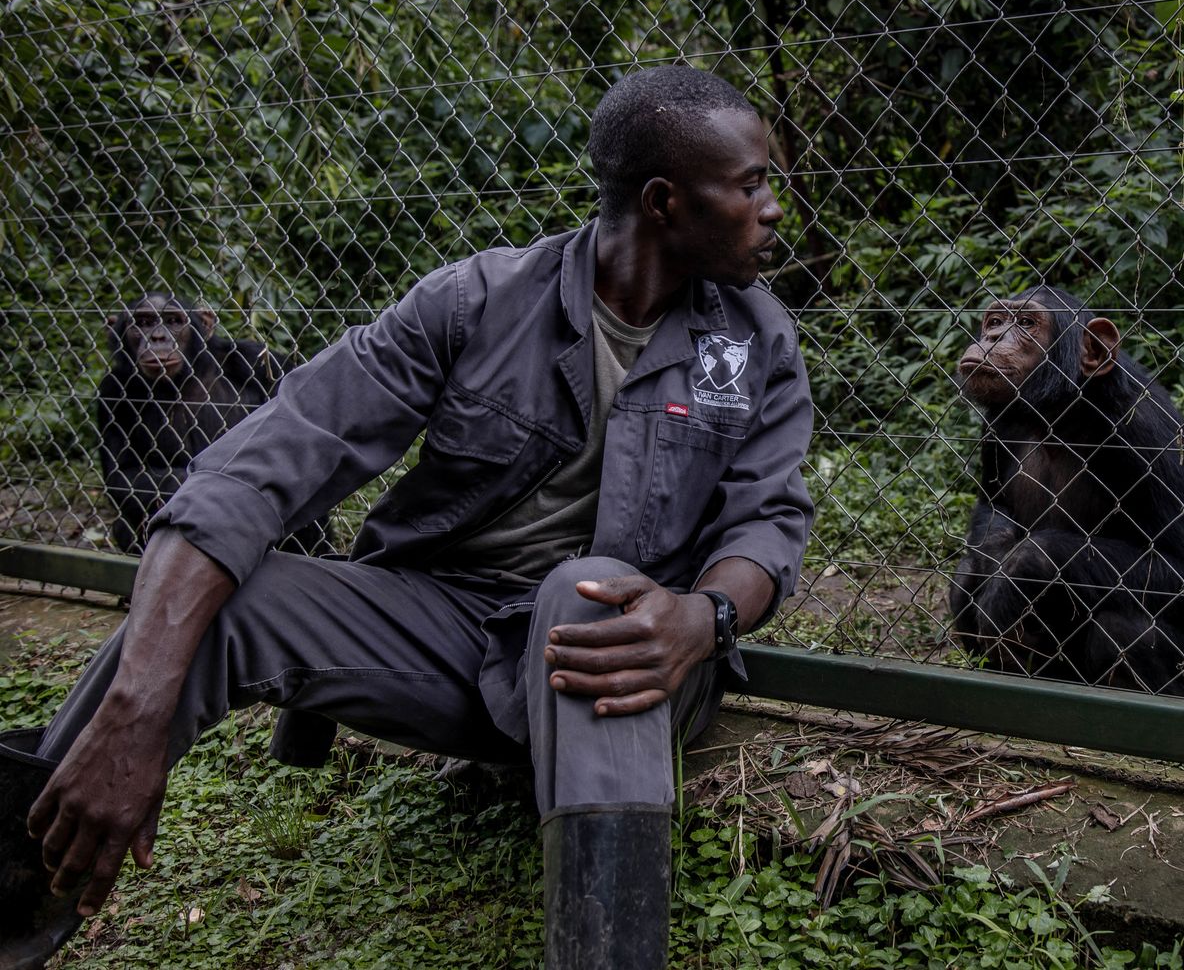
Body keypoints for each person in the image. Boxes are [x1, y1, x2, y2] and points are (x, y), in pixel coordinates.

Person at [0, 65, 813, 970]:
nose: (773, 206)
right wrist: (134, 710)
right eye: (751, 184)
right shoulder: (477, 302)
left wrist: (704, 617)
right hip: (453, 639)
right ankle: (11, 911)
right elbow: (254, 469)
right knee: (225, 599)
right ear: (665, 201)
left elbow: (767, 521)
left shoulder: (757, 341)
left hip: (635, 657)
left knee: (590, 595)